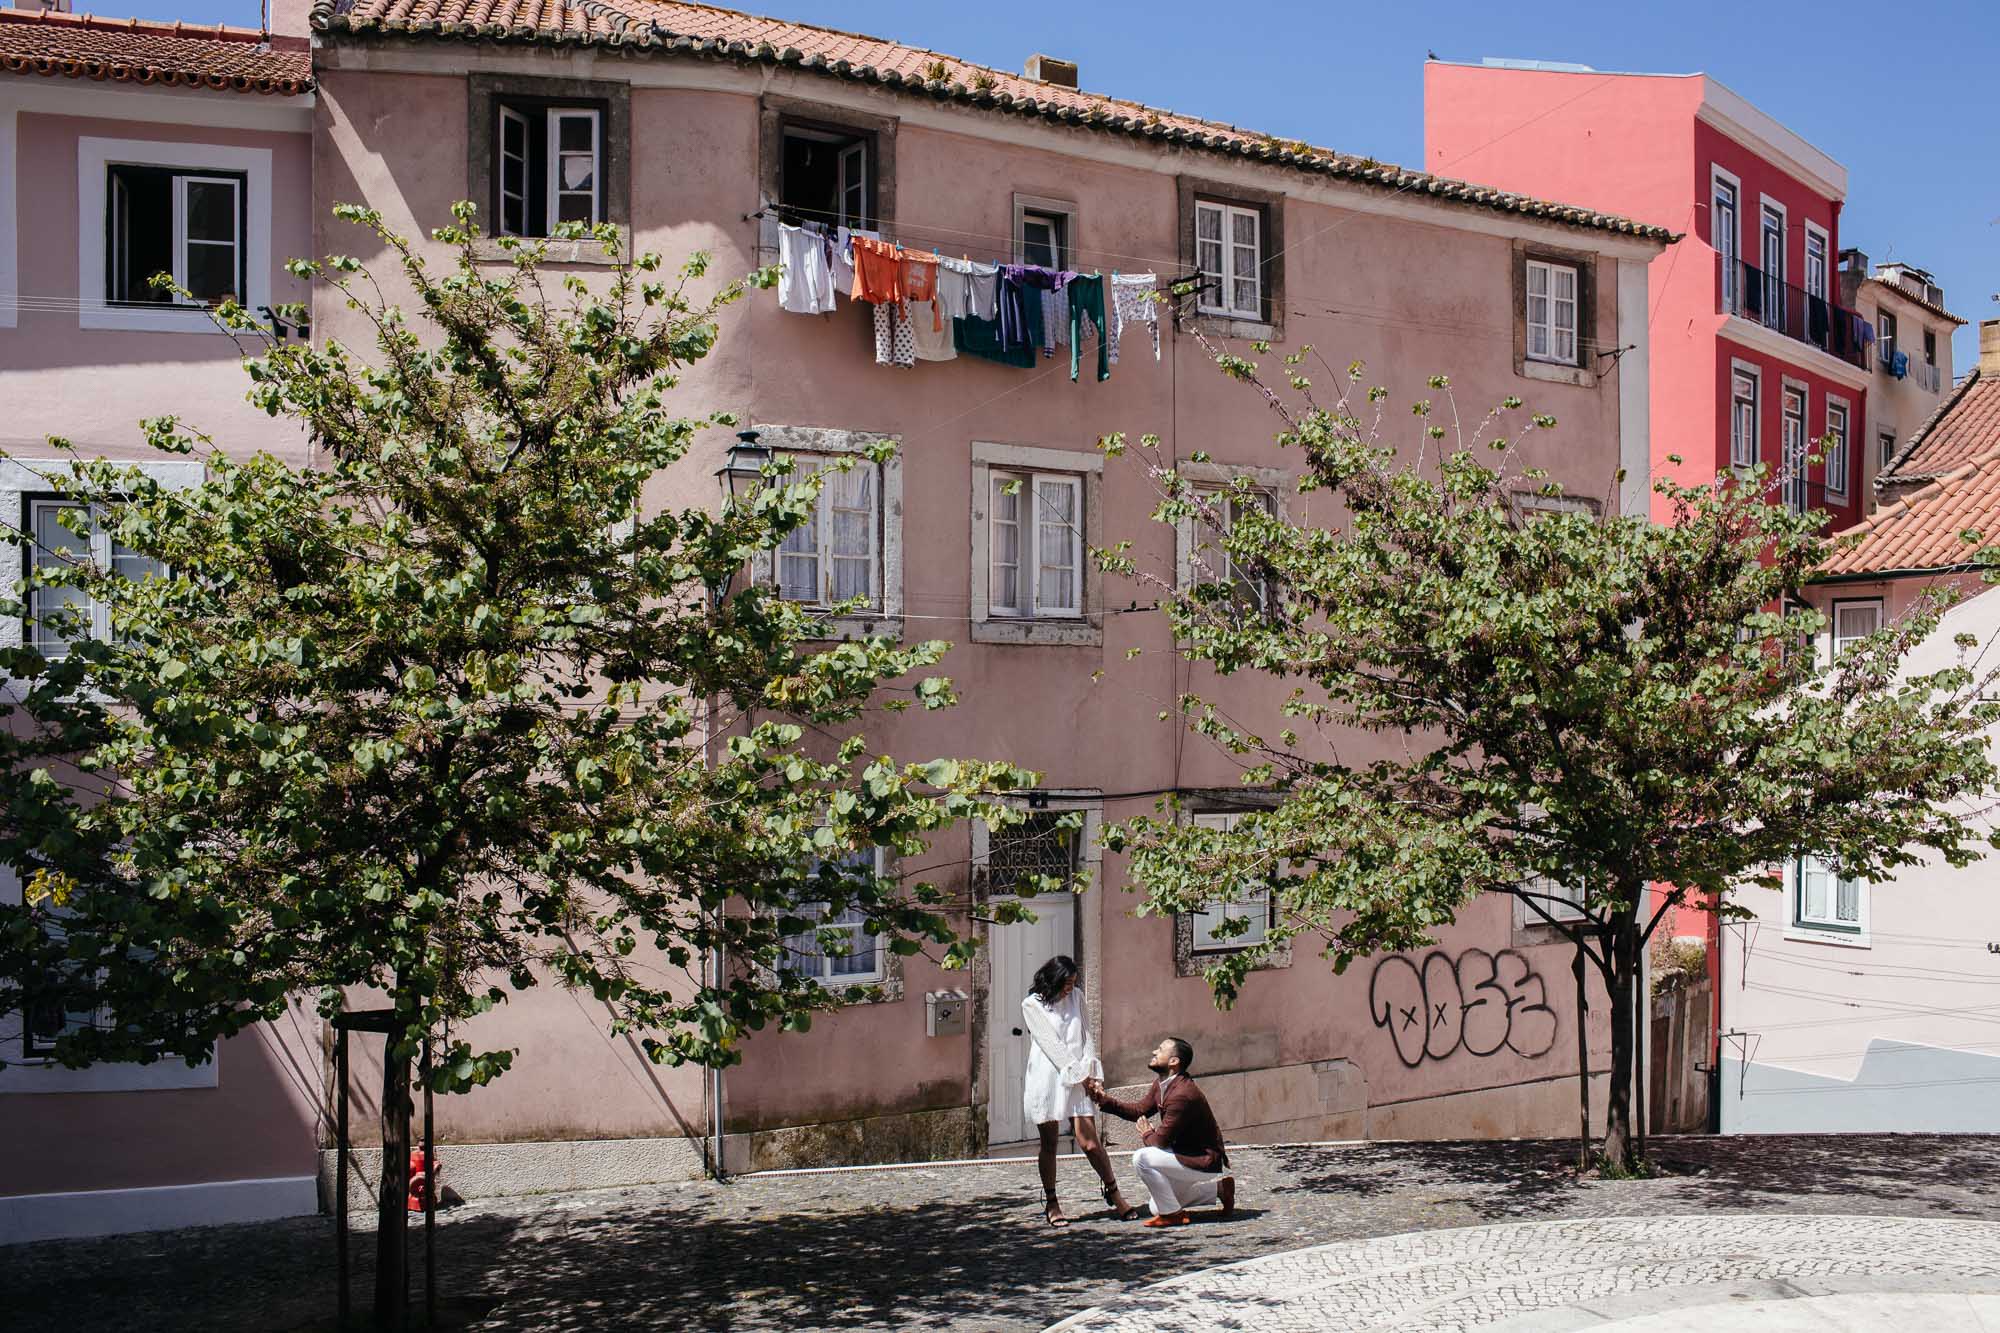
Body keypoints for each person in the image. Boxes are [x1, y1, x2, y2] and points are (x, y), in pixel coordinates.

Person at [1021, 955, 1141, 1227]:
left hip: (1080, 1077)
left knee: (1090, 1142)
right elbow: (1052, 1046)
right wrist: (1084, 1079)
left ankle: (1115, 1193)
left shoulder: (1077, 997)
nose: (1069, 988)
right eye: (1066, 983)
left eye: (1073, 982)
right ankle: (1052, 1202)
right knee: (1049, 1143)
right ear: (1053, 979)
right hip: (1048, 1078)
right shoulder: (1031, 1005)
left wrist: (1092, 1076)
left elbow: (1087, 1035)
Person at [1086, 1036, 1235, 1227]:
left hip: (1203, 1161)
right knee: (1156, 1207)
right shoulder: (1163, 1084)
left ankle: (1174, 1215)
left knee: (1142, 1158)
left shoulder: (1182, 1094)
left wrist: (1147, 1133)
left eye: (1160, 1049)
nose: (1154, 1052)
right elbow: (1139, 1110)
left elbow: (1160, 1142)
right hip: (1184, 1154)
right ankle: (1219, 1189)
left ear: (1174, 1061)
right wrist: (1104, 1100)